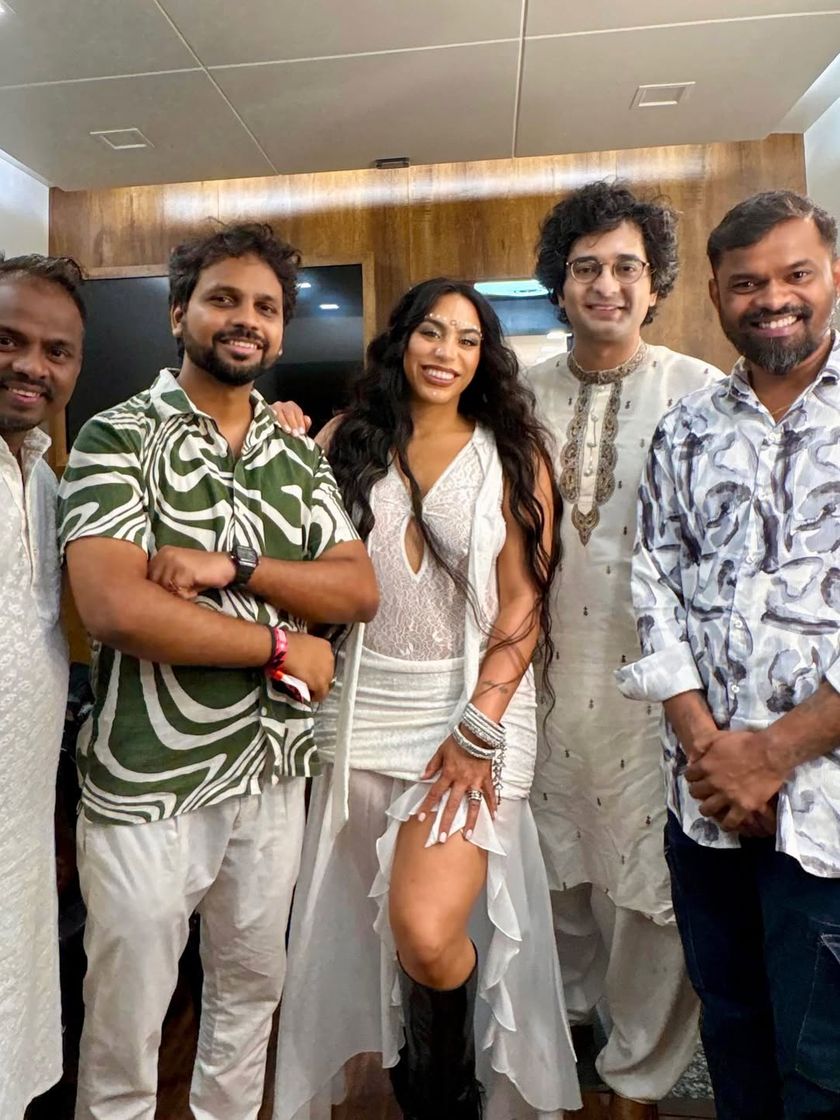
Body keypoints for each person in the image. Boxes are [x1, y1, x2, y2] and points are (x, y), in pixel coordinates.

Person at [57, 222, 378, 1120]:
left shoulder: (294, 454)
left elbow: (357, 588)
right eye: (224, 299)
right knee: (126, 1027)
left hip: (271, 773)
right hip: (146, 779)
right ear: (178, 314)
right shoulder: (118, 435)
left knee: (246, 1003)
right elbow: (118, 609)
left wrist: (232, 569)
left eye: (266, 308)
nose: (247, 320)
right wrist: (280, 645)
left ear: (280, 331)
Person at [271, 278, 580, 1119]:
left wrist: (479, 727)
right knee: (366, 931)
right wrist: (280, 434)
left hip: (472, 710)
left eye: (468, 340)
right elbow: (295, 554)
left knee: (426, 930)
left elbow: (522, 601)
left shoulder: (513, 452)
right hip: (360, 709)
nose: (447, 353)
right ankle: (422, 1093)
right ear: (402, 339)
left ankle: (455, 1094)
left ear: (485, 358)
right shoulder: (344, 440)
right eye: (432, 332)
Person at [618, 189, 840, 1120]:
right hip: (704, 804)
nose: (773, 298)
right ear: (714, 294)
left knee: (823, 1065)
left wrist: (776, 752)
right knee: (737, 1036)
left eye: (796, 274)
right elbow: (651, 581)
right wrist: (710, 750)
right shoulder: (688, 426)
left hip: (827, 816)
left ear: (834, 276)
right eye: (747, 283)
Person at [527, 181, 722, 1119]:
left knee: (649, 891)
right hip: (539, 679)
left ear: (656, 284)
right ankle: (561, 1041)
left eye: (626, 267)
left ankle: (640, 1075)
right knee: (552, 870)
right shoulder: (517, 392)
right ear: (559, 284)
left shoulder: (700, 390)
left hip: (658, 690)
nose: (606, 285)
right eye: (585, 268)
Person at [0, 254, 86, 1120]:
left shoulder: (48, 481)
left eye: (56, 352)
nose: (32, 365)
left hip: (20, 820)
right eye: (8, 340)